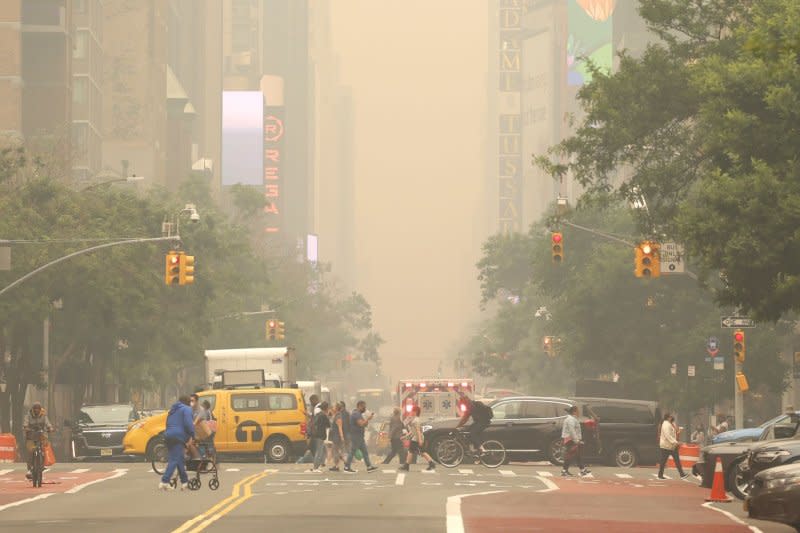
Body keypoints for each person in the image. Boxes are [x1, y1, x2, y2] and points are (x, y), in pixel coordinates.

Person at [159, 395, 195, 490]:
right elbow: (188, 424)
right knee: (174, 459)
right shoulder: (187, 409)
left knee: (179, 459)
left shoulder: (173, 410)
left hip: (168, 435)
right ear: (187, 402)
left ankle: (185, 482)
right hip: (178, 436)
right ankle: (164, 481)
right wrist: (192, 434)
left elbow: (167, 423)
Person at [343, 400, 377, 473]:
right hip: (356, 436)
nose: (365, 409)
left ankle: (369, 466)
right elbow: (361, 424)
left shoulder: (359, 414)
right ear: (359, 406)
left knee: (365, 452)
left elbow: (364, 424)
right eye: (363, 407)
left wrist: (367, 420)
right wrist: (368, 418)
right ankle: (347, 467)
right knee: (352, 452)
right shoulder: (356, 414)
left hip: (359, 436)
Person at [399, 405, 435, 471]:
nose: (411, 412)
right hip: (416, 438)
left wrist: (420, 440)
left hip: (416, 439)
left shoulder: (416, 420)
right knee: (420, 452)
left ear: (415, 412)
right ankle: (431, 463)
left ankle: (406, 466)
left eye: (412, 411)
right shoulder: (414, 419)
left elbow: (418, 431)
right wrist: (405, 437)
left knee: (414, 451)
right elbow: (413, 431)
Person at [23, 402, 53, 478]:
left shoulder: (44, 415)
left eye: (38, 409)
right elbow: (25, 423)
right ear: (33, 409)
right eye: (35, 408)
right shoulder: (28, 415)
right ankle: (30, 469)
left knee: (44, 448)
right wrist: (26, 427)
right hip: (31, 435)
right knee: (30, 451)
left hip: (41, 434)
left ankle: (42, 465)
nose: (36, 410)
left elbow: (47, 423)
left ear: (40, 409)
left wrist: (50, 428)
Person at [561, 405, 590, 477]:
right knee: (570, 455)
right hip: (571, 439)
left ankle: (582, 470)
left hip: (572, 439)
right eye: (577, 411)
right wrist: (576, 441)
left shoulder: (572, 419)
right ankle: (564, 471)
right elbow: (572, 430)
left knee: (577, 455)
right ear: (574, 412)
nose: (579, 412)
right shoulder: (571, 419)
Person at [658, 413, 689, 480]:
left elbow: (672, 434)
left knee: (673, 460)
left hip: (670, 446)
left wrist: (678, 432)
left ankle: (681, 474)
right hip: (667, 446)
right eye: (671, 416)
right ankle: (681, 474)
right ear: (668, 417)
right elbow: (668, 435)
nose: (672, 417)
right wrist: (676, 442)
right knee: (665, 461)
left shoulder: (669, 424)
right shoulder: (666, 424)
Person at [309, 401, 330, 473]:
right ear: (326, 408)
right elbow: (328, 425)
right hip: (321, 435)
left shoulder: (318, 414)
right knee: (319, 451)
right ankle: (315, 467)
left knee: (323, 450)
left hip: (317, 435)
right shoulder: (324, 415)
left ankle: (321, 464)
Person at [328, 402, 345, 472]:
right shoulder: (336, 415)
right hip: (335, 436)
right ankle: (340, 463)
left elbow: (340, 427)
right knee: (336, 451)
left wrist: (342, 437)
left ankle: (337, 465)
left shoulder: (338, 417)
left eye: (334, 407)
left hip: (337, 437)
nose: (333, 408)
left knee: (336, 451)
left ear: (337, 408)